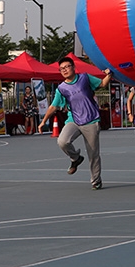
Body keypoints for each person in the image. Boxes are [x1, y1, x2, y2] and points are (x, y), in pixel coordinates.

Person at [38, 57, 113, 190]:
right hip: (73, 120)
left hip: (91, 120)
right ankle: (75, 158)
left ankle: (96, 180)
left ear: (73, 67)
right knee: (63, 141)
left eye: (67, 67)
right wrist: (43, 121)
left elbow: (102, 84)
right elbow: (53, 106)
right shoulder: (61, 88)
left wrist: (109, 74)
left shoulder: (85, 78)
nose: (65, 70)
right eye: (62, 69)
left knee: (93, 153)